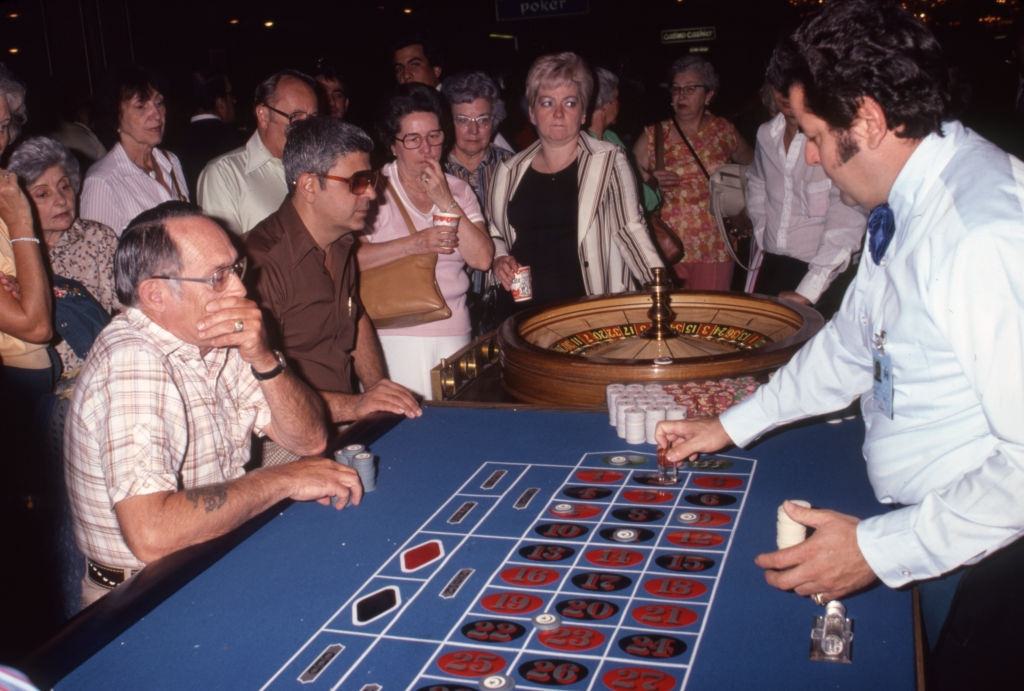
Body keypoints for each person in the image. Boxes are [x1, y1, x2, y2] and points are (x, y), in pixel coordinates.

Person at [656, 2, 1024, 687]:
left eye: (818, 135)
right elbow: (853, 346)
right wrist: (730, 425)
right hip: (930, 529)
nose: (816, 158)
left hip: (983, 558)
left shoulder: (982, 236)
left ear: (872, 120)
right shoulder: (912, 198)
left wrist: (878, 551)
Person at [65, 201, 359, 608]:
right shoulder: (133, 361)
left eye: (236, 270)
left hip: (204, 561)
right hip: (137, 599)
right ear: (155, 295)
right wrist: (283, 479)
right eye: (218, 277)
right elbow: (152, 533)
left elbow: (308, 439)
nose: (240, 289)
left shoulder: (216, 335)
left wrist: (263, 359)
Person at [247, 117, 421, 422]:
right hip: (287, 440)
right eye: (358, 182)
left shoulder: (342, 243)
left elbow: (356, 317)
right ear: (309, 186)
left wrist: (377, 389)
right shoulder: (261, 263)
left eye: (371, 181)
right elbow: (255, 390)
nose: (371, 194)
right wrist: (356, 406)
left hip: (342, 422)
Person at [489, 52, 662, 314]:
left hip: (589, 311)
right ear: (532, 113)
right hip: (523, 313)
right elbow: (497, 233)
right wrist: (499, 258)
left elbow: (632, 231)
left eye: (569, 103)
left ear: (583, 113)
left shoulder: (608, 161)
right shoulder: (509, 169)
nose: (558, 113)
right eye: (547, 103)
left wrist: (659, 291)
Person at [357, 85, 493, 398]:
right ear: (393, 144)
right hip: (391, 333)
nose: (426, 149)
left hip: (454, 331)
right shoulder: (373, 189)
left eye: (434, 136)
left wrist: (446, 202)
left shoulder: (458, 191)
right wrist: (417, 243)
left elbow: (483, 259)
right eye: (413, 139)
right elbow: (351, 260)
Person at [744, 69, 866, 317]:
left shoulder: (831, 137)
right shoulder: (766, 134)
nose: (787, 94)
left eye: (794, 84)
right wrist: (762, 230)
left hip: (824, 272)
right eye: (780, 85)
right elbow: (756, 182)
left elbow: (848, 218)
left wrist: (810, 289)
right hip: (772, 264)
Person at [634, 56, 754, 289]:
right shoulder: (655, 134)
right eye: (676, 89)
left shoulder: (723, 131)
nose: (681, 95)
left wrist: (736, 193)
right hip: (667, 246)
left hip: (715, 245)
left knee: (710, 318)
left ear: (709, 95)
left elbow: (755, 167)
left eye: (690, 89)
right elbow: (625, 181)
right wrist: (649, 179)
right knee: (670, 319)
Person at [8, 137, 119, 379]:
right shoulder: (10, 251)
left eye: (65, 186)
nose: (60, 200)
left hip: (100, 374)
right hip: (39, 384)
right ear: (20, 203)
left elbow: (127, 311)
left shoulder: (98, 238)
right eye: (42, 194)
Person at [197, 70, 318, 235]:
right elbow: (225, 256)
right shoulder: (224, 174)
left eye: (313, 119)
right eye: (296, 117)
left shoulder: (322, 169)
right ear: (263, 115)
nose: (307, 129)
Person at [440, 71, 513, 334]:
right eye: (462, 120)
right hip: (445, 303)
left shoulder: (514, 166)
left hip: (503, 298)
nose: (473, 130)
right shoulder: (435, 171)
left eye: (482, 119)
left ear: (494, 121)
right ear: (448, 122)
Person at [79, 66, 188, 235]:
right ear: (115, 116)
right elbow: (98, 257)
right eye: (141, 106)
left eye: (159, 103)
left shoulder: (171, 161)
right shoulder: (102, 182)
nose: (157, 115)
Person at [589, 66, 661, 217]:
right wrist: (652, 182)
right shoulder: (589, 146)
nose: (619, 104)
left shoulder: (611, 137)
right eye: (616, 98)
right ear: (605, 104)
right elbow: (643, 199)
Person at [177, 70, 244, 200]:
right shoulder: (235, 140)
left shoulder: (174, 145)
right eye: (230, 95)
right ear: (220, 103)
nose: (234, 101)